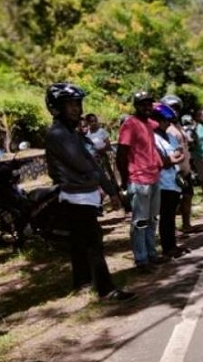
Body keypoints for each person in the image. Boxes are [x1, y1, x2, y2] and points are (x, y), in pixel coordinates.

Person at [43, 83, 135, 302]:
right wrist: (100, 182)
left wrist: (110, 189)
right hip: (76, 195)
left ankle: (82, 281)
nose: (75, 109)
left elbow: (91, 164)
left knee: (80, 241)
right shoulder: (58, 133)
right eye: (69, 105)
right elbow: (85, 164)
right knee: (93, 242)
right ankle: (106, 290)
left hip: (82, 194)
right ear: (57, 107)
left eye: (77, 104)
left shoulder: (71, 133)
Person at [116, 91, 166, 273]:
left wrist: (158, 107)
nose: (147, 107)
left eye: (149, 104)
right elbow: (121, 154)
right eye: (143, 104)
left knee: (152, 219)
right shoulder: (130, 124)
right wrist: (124, 179)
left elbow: (165, 118)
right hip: (138, 179)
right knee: (140, 222)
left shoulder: (149, 123)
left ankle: (152, 254)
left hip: (153, 177)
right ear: (136, 106)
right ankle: (141, 260)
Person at [152, 103, 189, 258]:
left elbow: (180, 153)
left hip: (174, 181)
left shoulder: (171, 136)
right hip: (162, 183)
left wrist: (173, 158)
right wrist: (172, 159)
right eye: (163, 120)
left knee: (171, 216)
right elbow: (163, 160)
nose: (167, 124)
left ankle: (172, 245)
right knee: (165, 217)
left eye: (168, 121)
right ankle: (167, 248)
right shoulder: (153, 138)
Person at [161, 96, 196, 234]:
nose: (174, 111)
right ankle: (173, 230)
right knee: (174, 201)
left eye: (176, 108)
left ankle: (186, 225)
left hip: (185, 169)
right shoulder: (168, 129)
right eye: (172, 108)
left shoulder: (178, 126)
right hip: (175, 171)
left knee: (187, 197)